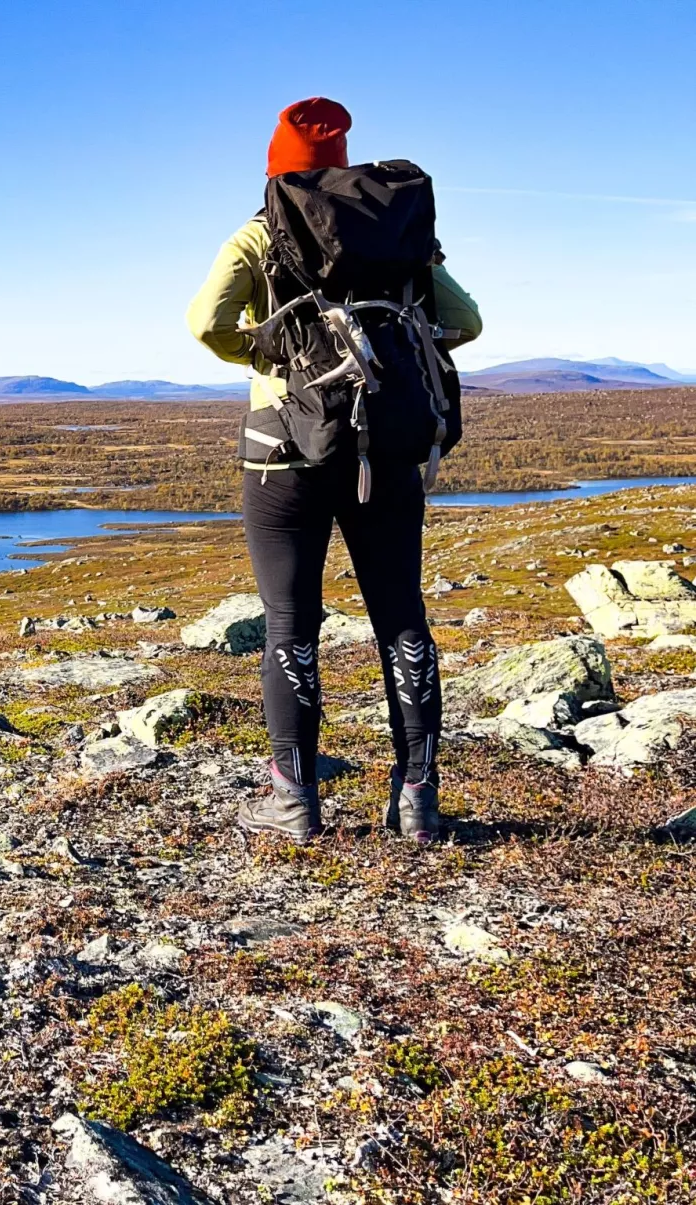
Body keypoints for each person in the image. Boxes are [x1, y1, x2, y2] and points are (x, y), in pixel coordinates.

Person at [185, 98, 482, 843]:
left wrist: (276, 354)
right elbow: (468, 321)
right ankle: (417, 799)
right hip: (383, 448)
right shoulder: (393, 232)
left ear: (273, 167)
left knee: (291, 623)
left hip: (282, 454)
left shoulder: (263, 231)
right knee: (401, 617)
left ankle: (294, 801)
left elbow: (205, 321)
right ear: (343, 163)